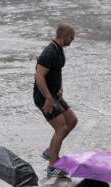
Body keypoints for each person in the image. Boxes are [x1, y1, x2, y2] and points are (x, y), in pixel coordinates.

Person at [33, 23, 78, 177]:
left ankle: (50, 152)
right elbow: (39, 76)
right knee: (61, 128)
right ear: (65, 35)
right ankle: (52, 166)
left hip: (54, 94)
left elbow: (57, 71)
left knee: (72, 120)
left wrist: (60, 88)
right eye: (72, 37)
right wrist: (48, 98)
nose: (73, 40)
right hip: (44, 97)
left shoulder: (59, 51)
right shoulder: (49, 52)